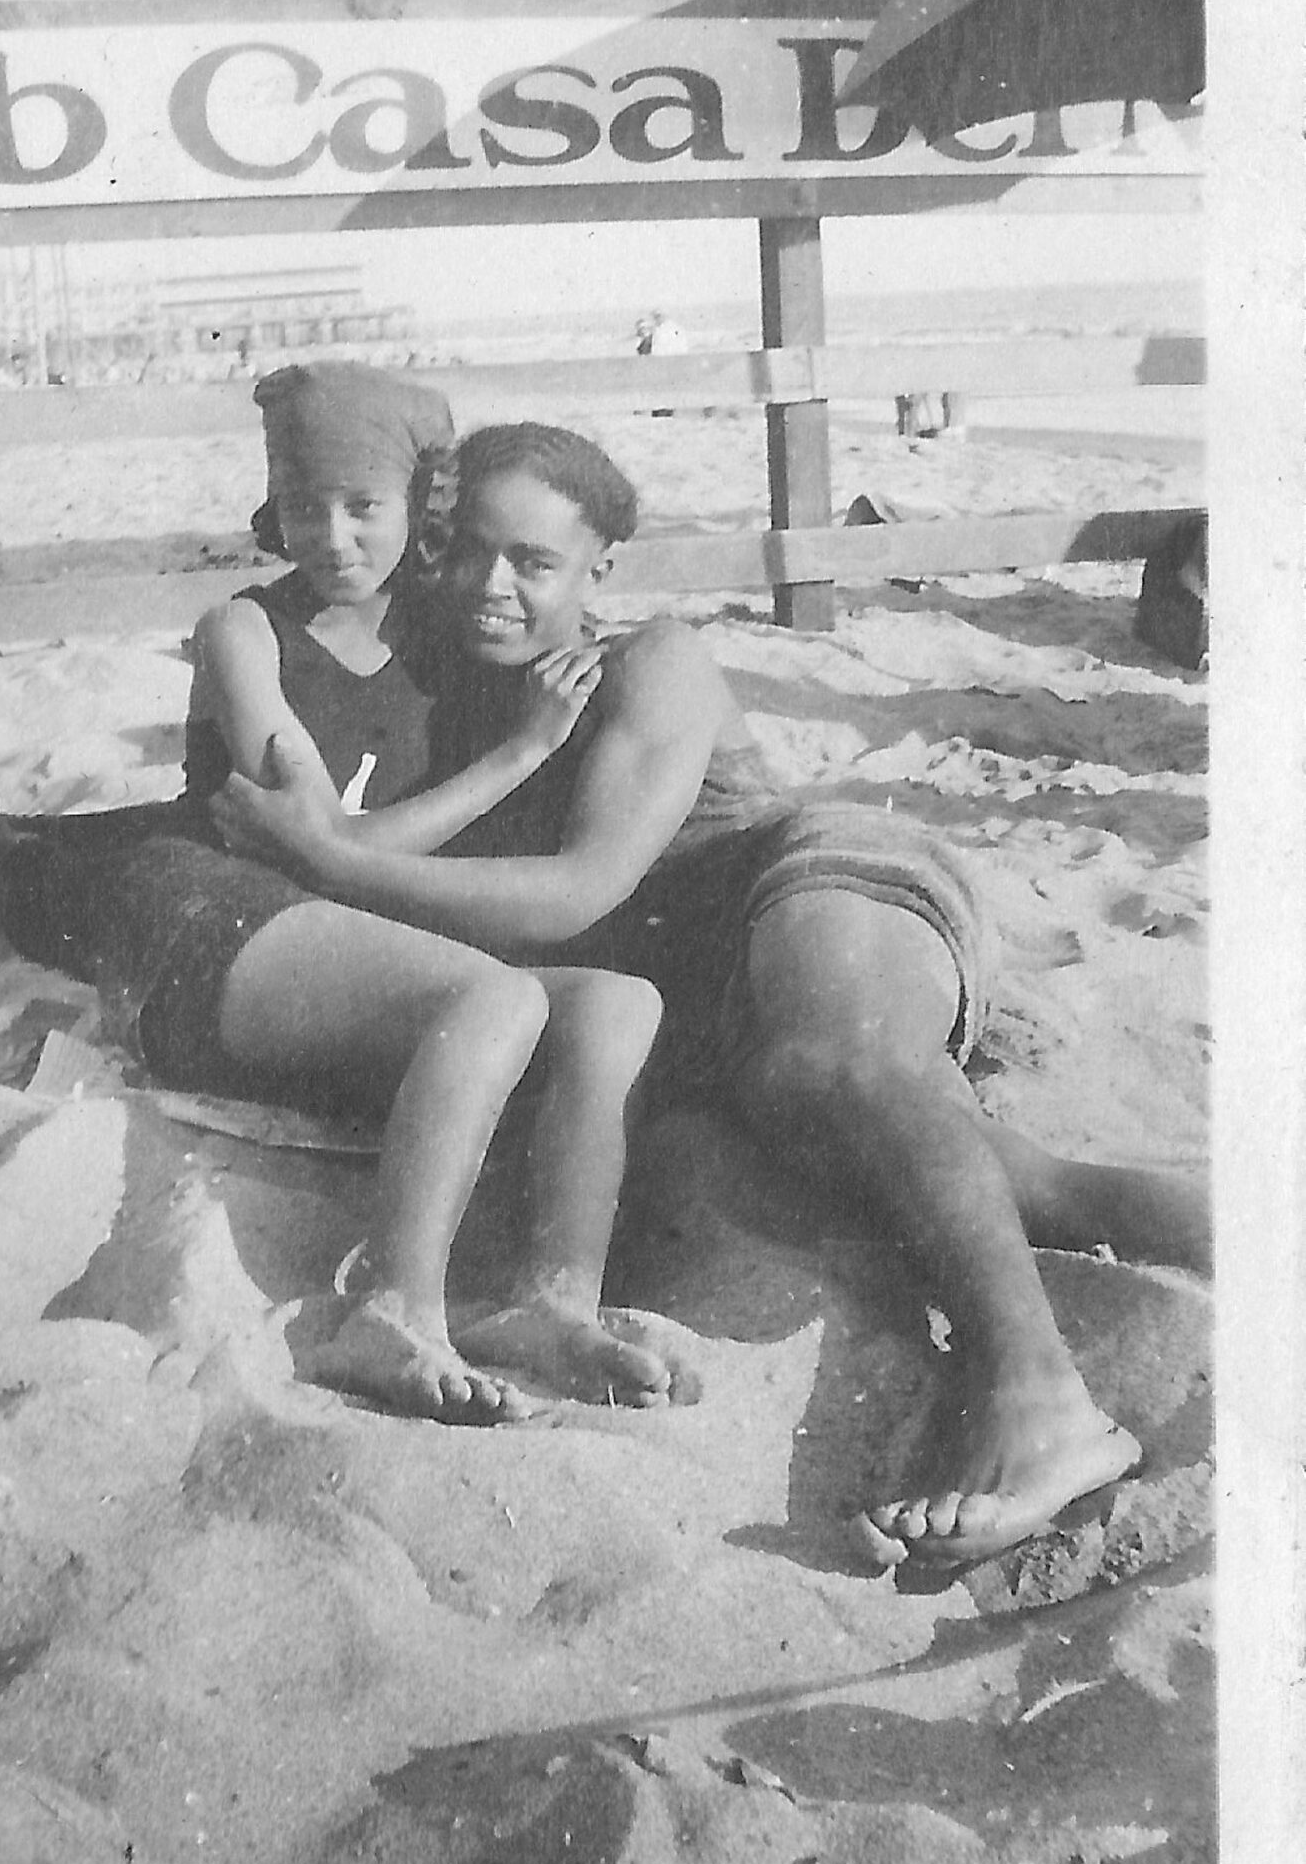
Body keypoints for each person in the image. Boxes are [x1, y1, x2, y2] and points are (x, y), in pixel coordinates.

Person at [213, 418, 1212, 1570]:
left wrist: (332, 861)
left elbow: (582, 884)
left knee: (836, 1071)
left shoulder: (652, 660)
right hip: (709, 1015)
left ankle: (1043, 1404)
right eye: (470, 552)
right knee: (991, 1176)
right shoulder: (453, 691)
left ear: (601, 573)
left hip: (825, 885)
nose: (494, 587)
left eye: (535, 565)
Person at [0, 367, 675, 1423]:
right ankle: (389, 1311)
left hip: (327, 925)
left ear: (419, 514)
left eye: (365, 509)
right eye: (305, 506)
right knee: (496, 1000)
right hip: (208, 903)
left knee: (622, 1005)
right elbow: (315, 844)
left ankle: (552, 1296)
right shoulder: (245, 633)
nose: (334, 537)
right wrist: (523, 752)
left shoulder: (446, 632)